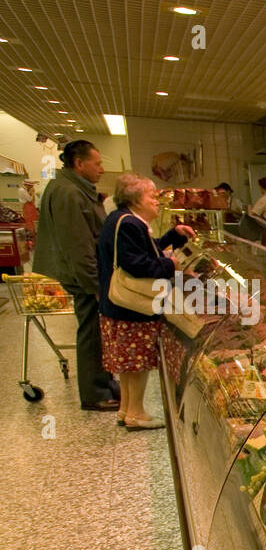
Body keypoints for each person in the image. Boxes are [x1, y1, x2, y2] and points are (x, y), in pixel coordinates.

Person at [95, 173, 194, 429]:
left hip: (117, 304)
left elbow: (145, 249)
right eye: (152, 195)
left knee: (127, 364)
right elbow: (138, 264)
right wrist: (171, 264)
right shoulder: (130, 224)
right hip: (132, 306)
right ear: (135, 198)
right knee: (137, 362)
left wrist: (173, 236)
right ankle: (137, 414)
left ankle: (126, 409)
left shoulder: (121, 220)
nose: (157, 200)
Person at [32, 139, 118, 410]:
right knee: (91, 331)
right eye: (98, 163)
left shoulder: (71, 188)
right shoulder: (69, 193)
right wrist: (94, 283)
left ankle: (104, 382)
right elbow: (77, 245)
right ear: (79, 164)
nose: (101, 169)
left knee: (97, 329)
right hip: (82, 276)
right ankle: (95, 393)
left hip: (84, 273)